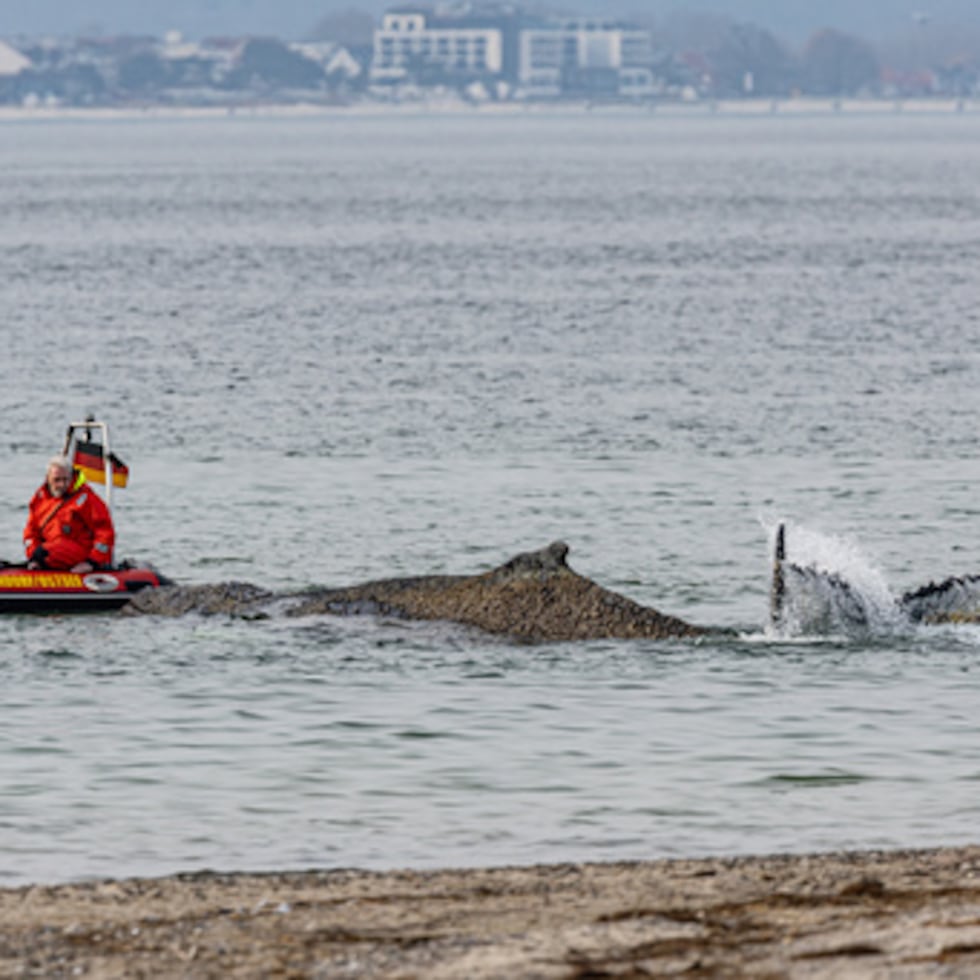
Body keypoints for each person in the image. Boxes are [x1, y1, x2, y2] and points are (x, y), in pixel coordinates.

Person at [23, 455, 115, 572]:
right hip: (47, 553)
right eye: (57, 480)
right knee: (42, 552)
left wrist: (92, 562)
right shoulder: (40, 499)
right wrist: (34, 557)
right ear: (48, 479)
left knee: (45, 552)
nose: (61, 485)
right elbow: (31, 532)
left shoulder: (86, 499)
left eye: (65, 479)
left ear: (71, 477)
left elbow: (105, 533)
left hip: (80, 551)